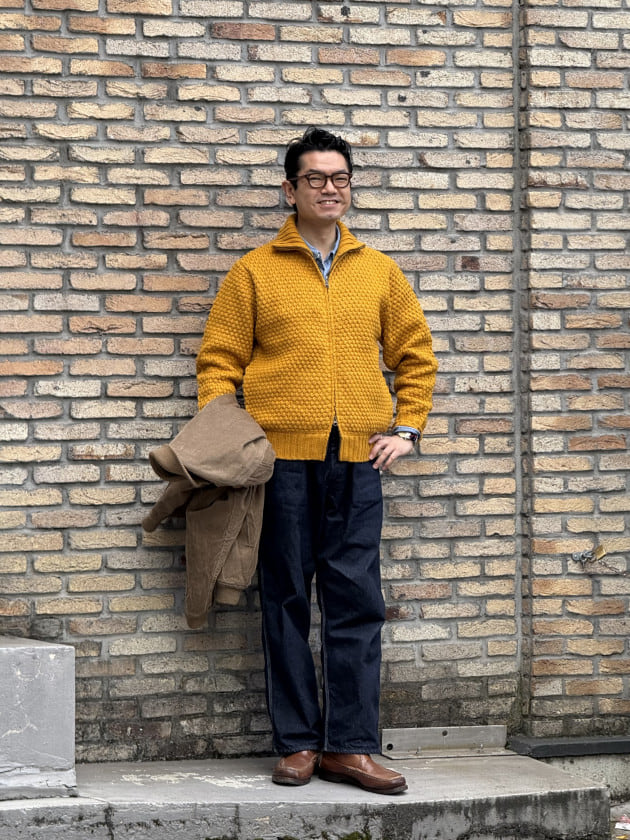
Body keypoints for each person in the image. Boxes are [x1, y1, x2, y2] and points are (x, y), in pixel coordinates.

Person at [196, 127, 438, 795]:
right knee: (285, 600)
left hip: (358, 462)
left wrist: (407, 428)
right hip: (280, 465)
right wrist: (235, 439)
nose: (330, 189)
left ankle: (350, 747)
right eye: (315, 178)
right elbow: (218, 364)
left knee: (356, 602)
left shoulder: (379, 270)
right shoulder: (254, 271)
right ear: (290, 189)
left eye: (340, 178)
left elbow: (416, 356)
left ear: (350, 188)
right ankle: (298, 743)